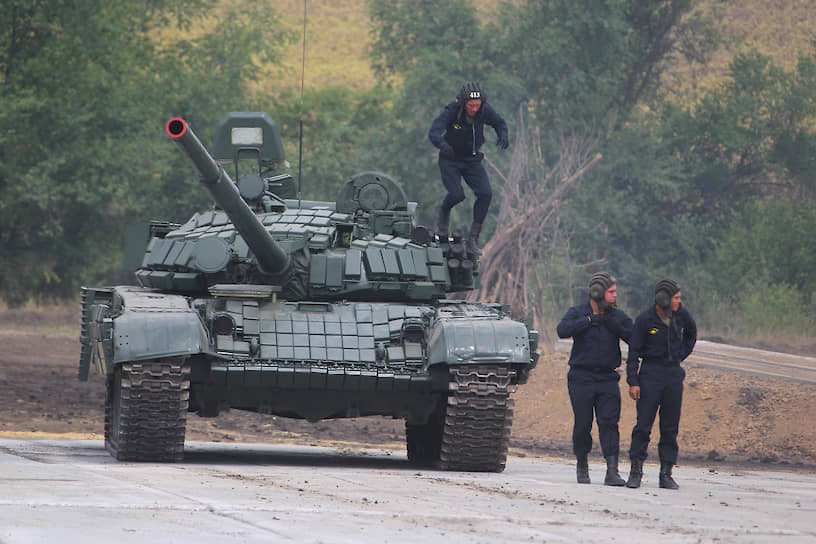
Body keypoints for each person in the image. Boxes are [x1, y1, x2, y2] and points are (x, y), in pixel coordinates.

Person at [556, 272, 633, 485]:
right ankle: (582, 464)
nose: (615, 295)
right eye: (611, 292)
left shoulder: (616, 316)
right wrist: (588, 321)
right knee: (583, 424)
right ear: (598, 293)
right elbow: (562, 330)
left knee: (609, 423)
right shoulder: (578, 312)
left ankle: (612, 471)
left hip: (607, 378)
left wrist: (616, 327)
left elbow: (635, 337)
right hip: (581, 377)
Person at [625, 279, 697, 490]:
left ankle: (666, 473)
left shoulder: (681, 315)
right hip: (651, 374)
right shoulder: (645, 320)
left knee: (670, 427)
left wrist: (681, 354)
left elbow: (692, 333)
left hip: (673, 374)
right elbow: (633, 353)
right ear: (664, 300)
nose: (678, 301)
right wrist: (633, 381)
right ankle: (635, 471)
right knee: (643, 426)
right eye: (675, 298)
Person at [428, 82, 509, 256]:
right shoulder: (452, 111)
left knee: (486, 193)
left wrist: (503, 135)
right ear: (463, 103)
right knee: (457, 195)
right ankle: (443, 220)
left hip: (471, 160)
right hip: (450, 160)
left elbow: (499, 122)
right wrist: (443, 145)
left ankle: (473, 239)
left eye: (477, 105)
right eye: (471, 105)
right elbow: (433, 132)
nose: (474, 108)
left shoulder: (484, 110)